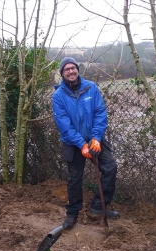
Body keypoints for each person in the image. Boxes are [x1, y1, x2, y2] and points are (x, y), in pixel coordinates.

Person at [51, 57, 119, 230]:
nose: (71, 71)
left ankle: (98, 207)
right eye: (67, 69)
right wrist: (81, 144)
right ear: (62, 74)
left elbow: (100, 113)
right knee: (74, 178)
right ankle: (72, 213)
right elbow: (64, 125)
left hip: (94, 139)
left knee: (110, 167)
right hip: (73, 143)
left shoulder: (91, 88)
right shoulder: (58, 96)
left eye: (73, 68)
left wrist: (96, 138)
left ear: (78, 70)